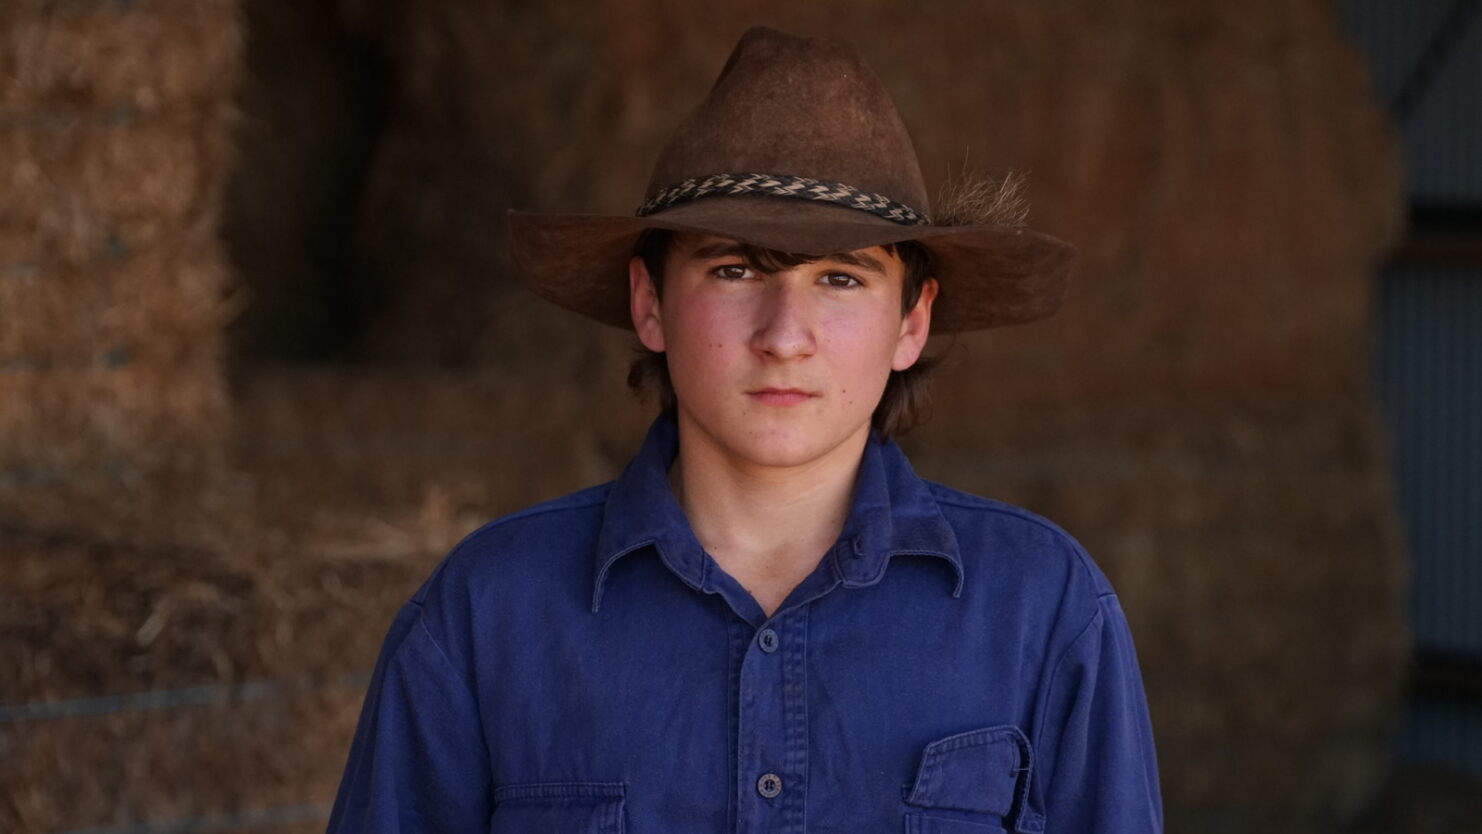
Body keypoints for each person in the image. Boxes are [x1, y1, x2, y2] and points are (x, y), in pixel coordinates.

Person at [326, 25, 1163, 833]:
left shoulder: (1043, 608)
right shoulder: (487, 614)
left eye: (840, 278)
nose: (784, 334)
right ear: (649, 304)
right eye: (733, 270)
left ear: (912, 324)